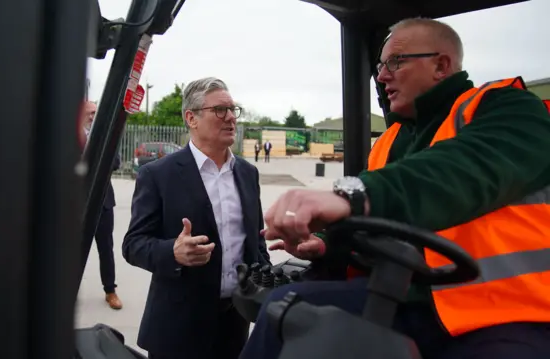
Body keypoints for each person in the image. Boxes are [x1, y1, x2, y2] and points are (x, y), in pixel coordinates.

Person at [239, 17, 550, 359]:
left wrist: (352, 195)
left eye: (395, 62)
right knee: (284, 313)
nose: (383, 76)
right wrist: (327, 246)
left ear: (441, 65)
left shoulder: (509, 110)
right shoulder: (390, 140)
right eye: (379, 66)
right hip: (411, 302)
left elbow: (460, 170)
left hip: (509, 313)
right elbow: (377, 231)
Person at [122, 77, 271, 359]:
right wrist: (173, 252)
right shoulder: (158, 175)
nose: (230, 118)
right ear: (192, 118)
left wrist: (264, 279)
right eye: (220, 110)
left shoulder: (247, 173)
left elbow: (255, 241)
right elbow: (133, 245)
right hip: (178, 328)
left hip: (234, 325)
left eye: (233, 110)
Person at [81, 101, 123, 310]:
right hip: (77, 204)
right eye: (89, 112)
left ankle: (110, 291)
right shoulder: (71, 136)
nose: (92, 116)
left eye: (95, 112)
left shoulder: (107, 135)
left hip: (104, 203)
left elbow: (116, 162)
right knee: (72, 250)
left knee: (106, 248)